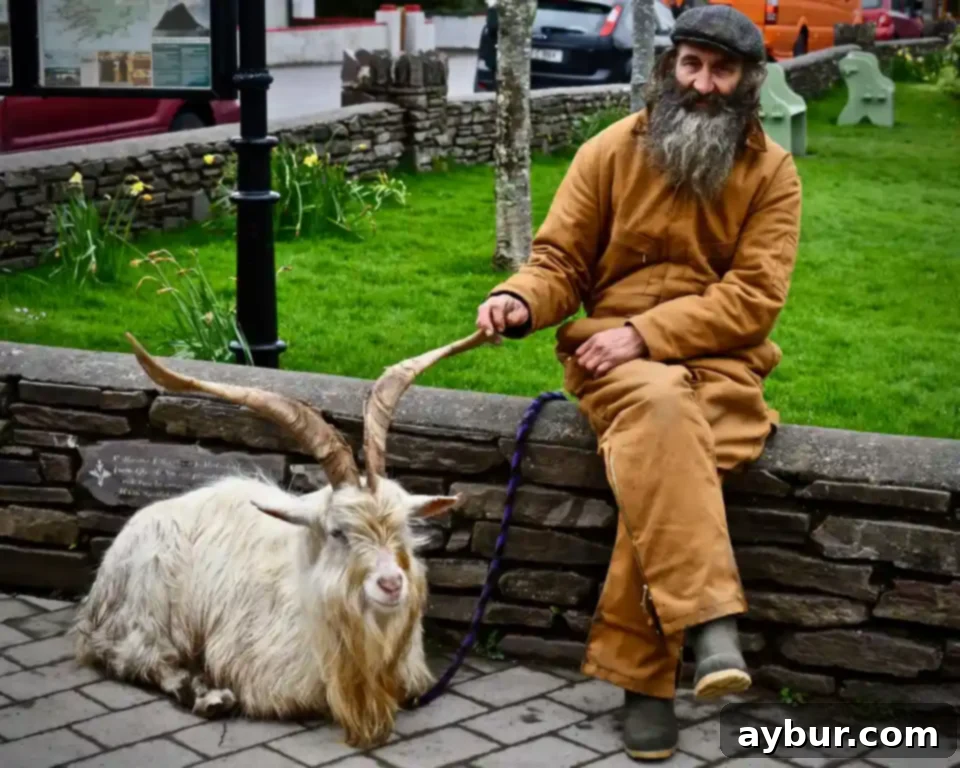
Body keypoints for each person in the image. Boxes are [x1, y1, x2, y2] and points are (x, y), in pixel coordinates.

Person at [475, 4, 802, 762]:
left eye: (722, 71)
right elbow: (560, 263)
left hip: (718, 361)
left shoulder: (772, 173)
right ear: (669, 66)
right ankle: (713, 626)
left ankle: (645, 683)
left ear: (750, 80)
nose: (704, 83)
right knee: (657, 405)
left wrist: (649, 334)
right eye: (691, 65)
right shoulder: (610, 151)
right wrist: (520, 299)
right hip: (612, 365)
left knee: (666, 454)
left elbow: (754, 297)